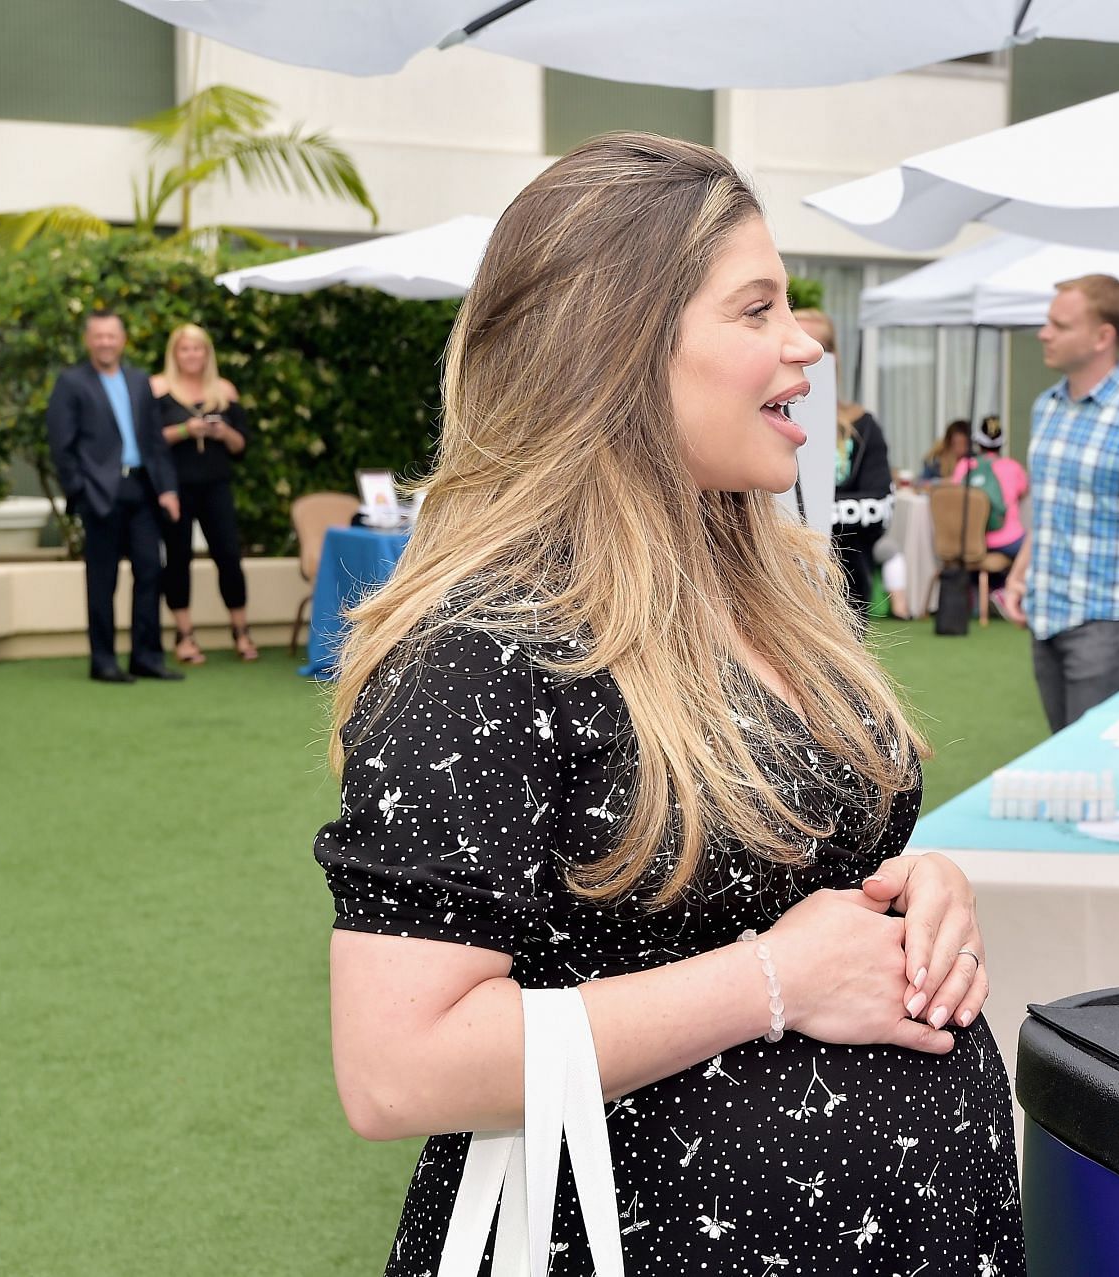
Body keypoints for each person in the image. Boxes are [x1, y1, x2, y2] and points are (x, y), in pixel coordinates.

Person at [313, 133, 1024, 1275]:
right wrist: (776, 982)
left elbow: (787, 869)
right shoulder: (487, 642)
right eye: (756, 310)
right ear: (619, 347)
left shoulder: (772, 580)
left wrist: (911, 895)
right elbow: (398, 1065)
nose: (802, 346)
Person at [997, 274, 1119, 731]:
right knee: (1068, 764)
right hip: (1048, 618)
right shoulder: (1047, 406)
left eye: (1059, 325)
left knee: (1092, 771)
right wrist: (1021, 575)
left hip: (1111, 624)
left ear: (1104, 336)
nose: (1044, 334)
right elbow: (1051, 510)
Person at [45, 308, 182, 683]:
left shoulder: (139, 381)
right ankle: (103, 661)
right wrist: (79, 490)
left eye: (112, 336)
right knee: (103, 580)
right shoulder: (71, 382)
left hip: (142, 488)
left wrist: (168, 488)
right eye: (98, 336)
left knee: (151, 571)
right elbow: (61, 445)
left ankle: (147, 657)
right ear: (89, 340)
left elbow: (155, 441)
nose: (105, 342)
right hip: (99, 493)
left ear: (122, 340)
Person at [151, 323, 259, 664]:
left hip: (216, 485)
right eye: (185, 349)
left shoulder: (224, 389)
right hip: (176, 488)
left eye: (198, 348)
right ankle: (184, 636)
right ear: (175, 353)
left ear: (207, 353)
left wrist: (222, 431)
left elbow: (242, 447)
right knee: (178, 558)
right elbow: (150, 441)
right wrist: (187, 429)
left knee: (229, 555)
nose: (192, 355)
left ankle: (241, 631)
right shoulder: (158, 388)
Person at [795, 308, 892, 618]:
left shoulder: (862, 426)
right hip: (783, 579)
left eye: (814, 347)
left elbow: (878, 505)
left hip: (847, 580)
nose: (802, 356)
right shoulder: (766, 420)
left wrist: (812, 516)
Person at [949, 416, 1028, 565]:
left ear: (978, 442)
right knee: (1032, 546)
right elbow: (1023, 493)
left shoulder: (964, 466)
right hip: (1007, 541)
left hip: (969, 542)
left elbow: (955, 496)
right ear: (1002, 443)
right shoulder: (1013, 467)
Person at [919, 418, 970, 483]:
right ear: (949, 442)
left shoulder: (974, 461)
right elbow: (922, 483)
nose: (962, 449)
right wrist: (942, 482)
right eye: (958, 443)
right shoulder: (936, 462)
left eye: (965, 444)